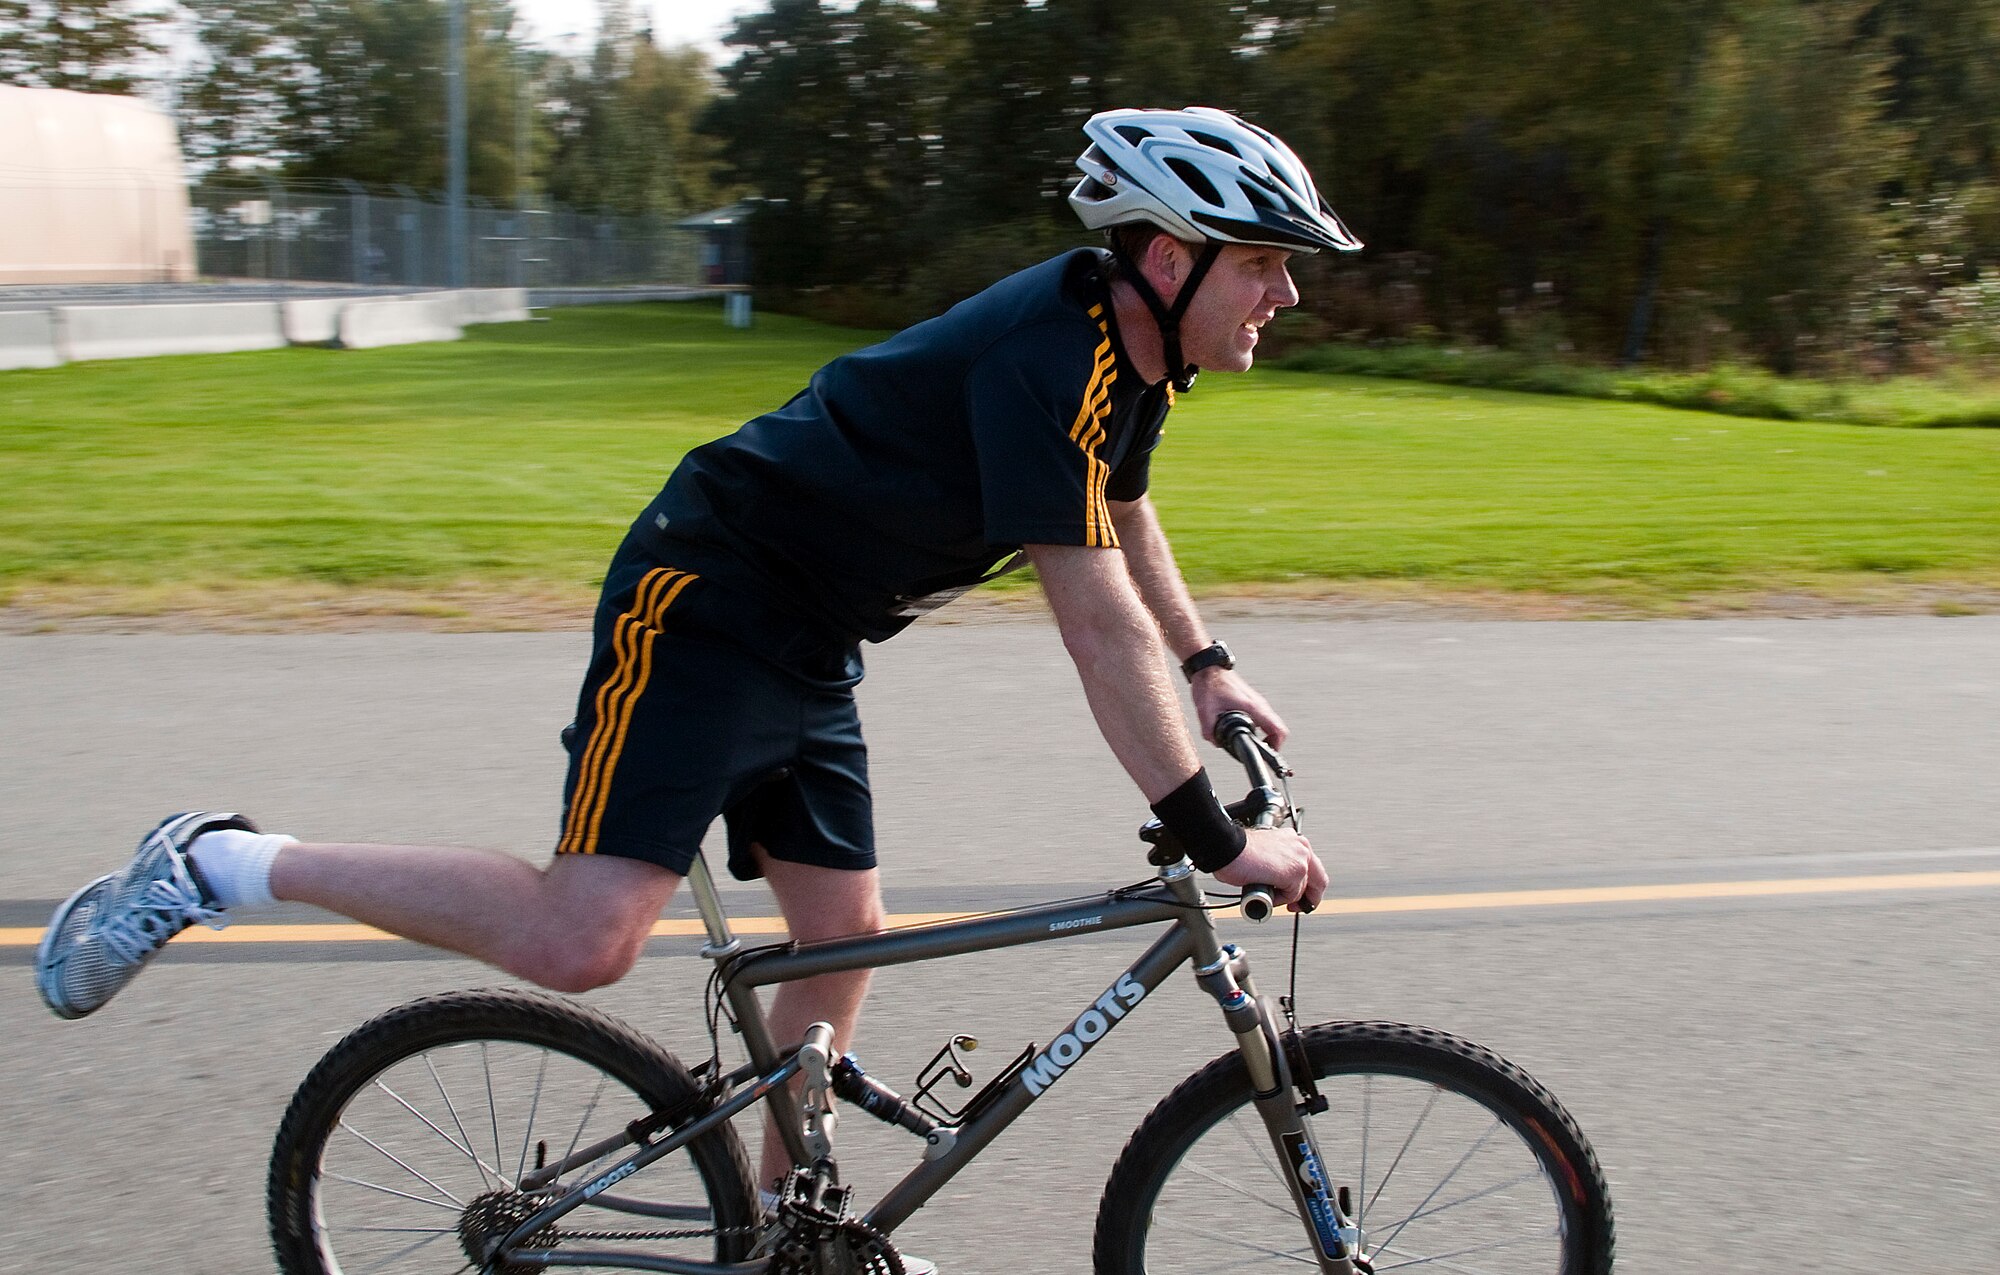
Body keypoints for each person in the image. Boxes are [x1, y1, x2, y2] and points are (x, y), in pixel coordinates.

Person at [37, 106, 1356, 1199]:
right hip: (710, 596)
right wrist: (1209, 831)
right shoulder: (1043, 354)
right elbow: (1089, 615)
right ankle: (217, 860)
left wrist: (1208, 660)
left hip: (811, 630)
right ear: (1169, 257)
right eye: (1263, 263)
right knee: (585, 936)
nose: (1286, 292)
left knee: (844, 942)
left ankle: (794, 1226)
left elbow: (1120, 510)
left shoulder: (1127, 360)